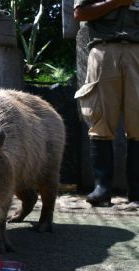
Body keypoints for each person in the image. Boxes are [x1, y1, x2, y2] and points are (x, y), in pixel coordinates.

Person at [74, 0, 139, 205]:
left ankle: (137, 191)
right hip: (103, 50)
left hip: (138, 50)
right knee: (100, 120)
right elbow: (80, 13)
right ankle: (102, 189)